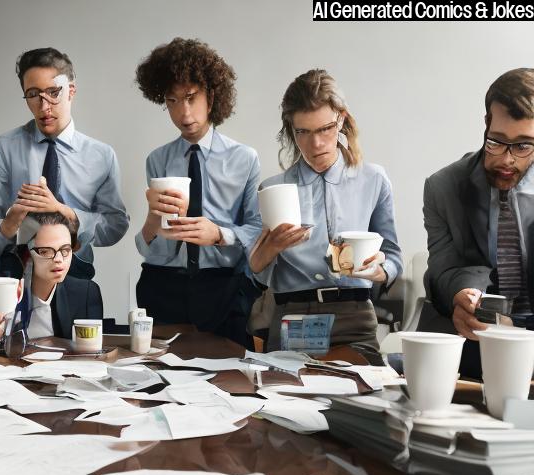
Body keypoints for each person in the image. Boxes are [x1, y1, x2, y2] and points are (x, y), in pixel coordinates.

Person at [249, 69, 402, 352]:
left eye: (324, 129)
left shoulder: (373, 179)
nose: (315, 144)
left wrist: (375, 271)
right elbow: (257, 273)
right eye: (303, 132)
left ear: (341, 119)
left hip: (355, 316)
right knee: (282, 395)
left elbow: (393, 259)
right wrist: (270, 249)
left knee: (366, 393)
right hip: (293, 316)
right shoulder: (273, 189)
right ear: (291, 131)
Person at [133, 38, 262, 347]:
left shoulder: (244, 159)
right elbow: (151, 245)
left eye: (191, 97)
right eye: (173, 100)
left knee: (228, 381)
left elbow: (257, 230)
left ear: (212, 94)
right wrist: (153, 220)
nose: (184, 112)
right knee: (163, 382)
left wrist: (218, 234)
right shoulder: (157, 160)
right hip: (162, 286)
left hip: (222, 289)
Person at [0, 47, 128, 280]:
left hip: (74, 277)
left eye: (54, 92)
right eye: (33, 95)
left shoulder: (102, 155)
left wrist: (64, 213)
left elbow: (116, 227)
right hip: (13, 277)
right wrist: (8, 226)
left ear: (71, 91)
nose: (44, 107)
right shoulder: (6, 147)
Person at [424, 68, 534, 377]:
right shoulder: (443, 186)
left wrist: (521, 334)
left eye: (523, 145)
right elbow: (441, 272)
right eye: (497, 141)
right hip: (476, 341)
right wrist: (461, 296)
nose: (507, 159)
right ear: (486, 123)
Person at [0, 212, 103, 342]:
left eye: (65, 250)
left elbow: (91, 352)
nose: (58, 259)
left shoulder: (86, 293)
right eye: (45, 251)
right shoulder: (2, 291)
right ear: (26, 255)